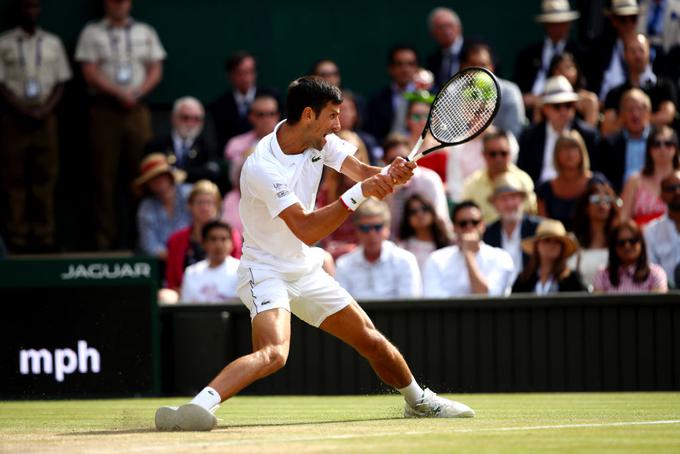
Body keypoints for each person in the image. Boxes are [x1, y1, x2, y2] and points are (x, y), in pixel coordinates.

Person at [154, 76, 474, 432]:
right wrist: (362, 192)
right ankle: (197, 407)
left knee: (371, 339)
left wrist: (389, 174)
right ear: (308, 115)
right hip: (264, 270)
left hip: (304, 268)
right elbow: (307, 228)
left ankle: (419, 401)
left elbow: (363, 174)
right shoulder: (262, 166)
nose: (339, 124)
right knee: (274, 354)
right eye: (333, 116)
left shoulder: (320, 140)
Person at [75, 0, 166, 250]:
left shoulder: (144, 31)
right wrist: (118, 93)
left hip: (137, 109)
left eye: (124, 0)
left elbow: (156, 68)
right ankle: (105, 240)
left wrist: (137, 93)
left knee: (142, 173)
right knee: (103, 177)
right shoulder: (93, 32)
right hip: (105, 109)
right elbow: (89, 70)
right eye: (114, 1)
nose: (119, 5)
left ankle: (142, 237)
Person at [0, 0, 71, 253]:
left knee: (45, 177)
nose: (29, 11)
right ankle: (17, 237)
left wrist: (44, 109)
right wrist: (23, 109)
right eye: (24, 6)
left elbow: (61, 81)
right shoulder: (4, 43)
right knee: (14, 178)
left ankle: (45, 236)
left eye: (33, 6)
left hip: (45, 117)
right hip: (13, 118)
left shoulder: (51, 42)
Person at [517, 75, 599, 185]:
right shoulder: (529, 136)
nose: (564, 111)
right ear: (545, 108)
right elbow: (523, 175)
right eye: (557, 106)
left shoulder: (588, 135)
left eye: (568, 105)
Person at [423, 200, 515, 297]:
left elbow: (489, 296)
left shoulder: (501, 257)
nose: (469, 227)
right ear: (454, 227)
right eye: (463, 223)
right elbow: (433, 299)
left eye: (475, 222)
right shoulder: (436, 259)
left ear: (483, 225)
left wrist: (469, 254)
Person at [335, 199, 422, 300]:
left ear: (387, 228)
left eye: (377, 227)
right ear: (356, 231)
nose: (372, 234)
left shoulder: (405, 260)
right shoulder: (344, 264)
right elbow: (340, 306)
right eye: (365, 228)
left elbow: (410, 304)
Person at [165, 180, 241, 294]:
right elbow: (171, 281)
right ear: (189, 205)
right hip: (184, 294)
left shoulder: (231, 236)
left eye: (210, 203)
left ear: (218, 206)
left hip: (226, 293)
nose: (205, 207)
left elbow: (237, 271)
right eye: (200, 202)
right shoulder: (176, 240)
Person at [515, 0, 584, 115]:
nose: (557, 28)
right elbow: (518, 89)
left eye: (561, 23)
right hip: (528, 111)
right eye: (552, 23)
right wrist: (524, 99)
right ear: (545, 24)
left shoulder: (580, 54)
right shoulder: (527, 54)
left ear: (569, 24)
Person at [601, 33, 677, 135]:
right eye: (633, 51)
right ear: (625, 54)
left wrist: (633, 121)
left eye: (641, 50)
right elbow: (607, 129)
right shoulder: (614, 93)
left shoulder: (664, 86)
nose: (637, 55)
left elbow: (667, 116)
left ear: (649, 52)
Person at [381, 133, 452, 237]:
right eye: (393, 161)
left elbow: (441, 219)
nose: (400, 164)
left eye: (405, 158)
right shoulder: (381, 185)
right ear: (384, 161)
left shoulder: (430, 179)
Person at [462, 128, 536, 224]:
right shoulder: (472, 184)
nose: (498, 158)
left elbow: (531, 214)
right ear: (484, 155)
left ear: (510, 153)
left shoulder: (523, 180)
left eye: (503, 153)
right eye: (493, 154)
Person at [209, 51, 280, 152]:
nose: (246, 77)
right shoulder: (219, 106)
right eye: (240, 73)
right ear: (230, 75)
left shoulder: (272, 96)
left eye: (250, 71)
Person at [145, 96, 221, 187]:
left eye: (196, 119)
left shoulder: (208, 147)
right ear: (173, 118)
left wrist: (180, 173)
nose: (191, 123)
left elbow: (212, 173)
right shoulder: (156, 145)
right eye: (185, 118)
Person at [536, 130, 604, 230]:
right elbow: (545, 226)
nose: (570, 153)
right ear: (556, 154)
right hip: (558, 243)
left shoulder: (597, 183)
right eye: (564, 148)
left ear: (582, 152)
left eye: (574, 147)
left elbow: (605, 215)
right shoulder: (545, 189)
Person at [483, 172, 543, 282]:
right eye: (504, 199)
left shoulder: (539, 229)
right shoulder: (487, 233)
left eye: (513, 197)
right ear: (495, 204)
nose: (509, 204)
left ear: (522, 200)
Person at [460, 42, 525, 138]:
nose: (478, 70)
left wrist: (488, 132)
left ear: (491, 67)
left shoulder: (510, 91)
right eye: (473, 64)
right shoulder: (453, 91)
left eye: (483, 65)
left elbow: (515, 133)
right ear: (464, 67)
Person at [134, 153, 191, 260]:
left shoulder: (189, 194)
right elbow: (149, 244)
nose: (158, 180)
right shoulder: (146, 207)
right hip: (161, 262)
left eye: (162, 175)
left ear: (170, 176)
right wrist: (175, 257)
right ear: (148, 184)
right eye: (153, 178)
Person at [595, 88, 653, 193]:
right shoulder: (608, 144)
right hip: (619, 201)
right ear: (621, 114)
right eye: (630, 109)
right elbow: (601, 178)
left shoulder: (662, 143)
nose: (635, 114)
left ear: (648, 112)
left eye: (639, 108)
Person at [620, 125, 679, 226]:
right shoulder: (634, 180)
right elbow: (623, 220)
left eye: (668, 143)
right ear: (649, 149)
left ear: (676, 148)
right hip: (642, 238)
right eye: (656, 144)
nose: (662, 148)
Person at [569, 180, 622, 289]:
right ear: (586, 207)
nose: (602, 204)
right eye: (596, 200)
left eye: (607, 200)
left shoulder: (621, 240)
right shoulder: (572, 240)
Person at [512, 219, 586, 294]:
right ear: (537, 245)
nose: (552, 245)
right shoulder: (523, 279)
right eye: (547, 240)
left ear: (562, 247)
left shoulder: (571, 280)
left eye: (557, 241)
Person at [593, 220, 668, 292]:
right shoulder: (602, 275)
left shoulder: (655, 274)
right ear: (613, 247)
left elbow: (658, 304)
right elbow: (597, 304)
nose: (627, 246)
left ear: (641, 243)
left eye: (632, 241)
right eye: (621, 243)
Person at [588, 0, 640, 100]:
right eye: (623, 19)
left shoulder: (646, 48)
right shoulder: (599, 48)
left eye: (633, 18)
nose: (628, 24)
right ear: (613, 21)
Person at [366, 45, 419, 142]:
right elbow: (373, 132)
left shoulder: (428, 96)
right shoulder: (377, 99)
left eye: (410, 64)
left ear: (417, 67)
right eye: (399, 64)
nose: (405, 69)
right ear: (390, 68)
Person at [180, 220, 240, 304]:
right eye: (213, 239)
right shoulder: (191, 272)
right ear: (204, 244)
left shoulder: (242, 270)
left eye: (223, 239)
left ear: (232, 244)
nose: (218, 245)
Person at [397, 193, 452, 272]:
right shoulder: (403, 247)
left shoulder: (447, 243)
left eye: (424, 209)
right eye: (413, 211)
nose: (419, 214)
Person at [644, 170, 680, 288]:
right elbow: (651, 269)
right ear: (662, 195)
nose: (677, 192)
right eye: (671, 188)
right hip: (665, 297)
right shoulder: (651, 230)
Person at [547, 52, 599, 127]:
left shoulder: (589, 100)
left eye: (569, 68)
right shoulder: (543, 100)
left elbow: (590, 133)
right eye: (556, 106)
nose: (565, 73)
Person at [425, 7, 465, 88]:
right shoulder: (432, 60)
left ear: (459, 28)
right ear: (433, 33)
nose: (446, 31)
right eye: (441, 27)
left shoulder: (475, 49)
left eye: (450, 25)